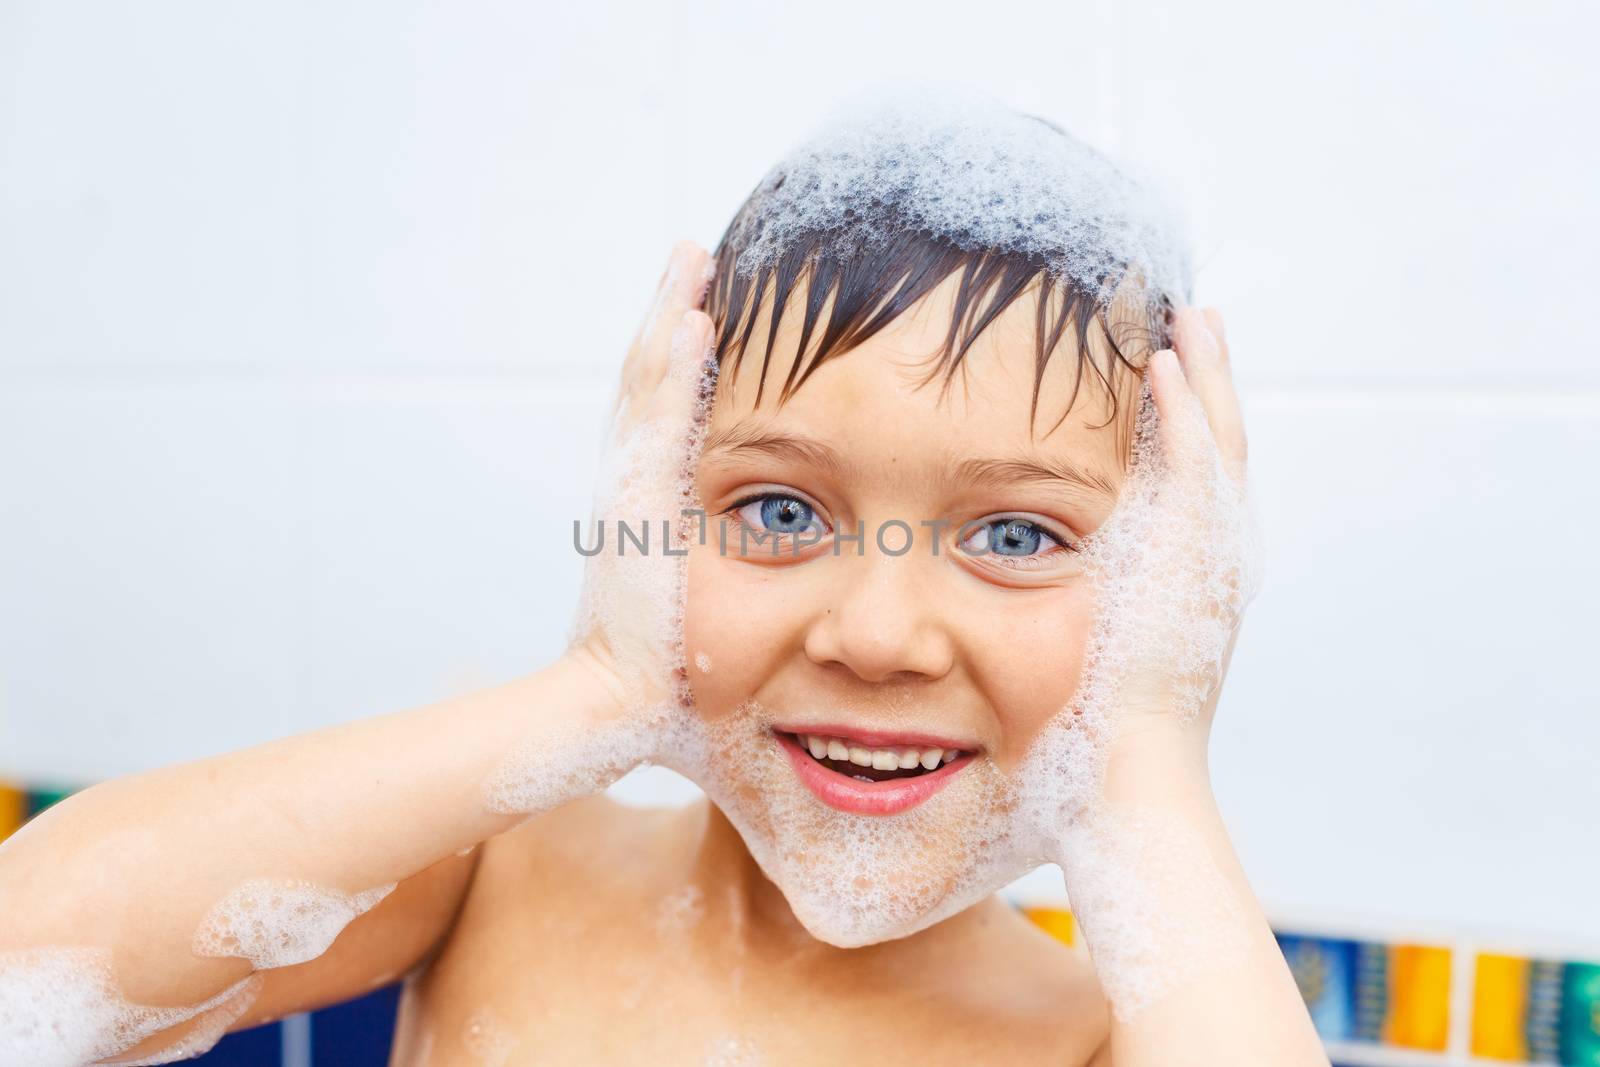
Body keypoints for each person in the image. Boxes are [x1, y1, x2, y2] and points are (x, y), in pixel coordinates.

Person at [0, 90, 1328, 1066]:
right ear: (659, 508)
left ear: (1162, 586)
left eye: (1018, 537)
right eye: (780, 507)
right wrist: (598, 691)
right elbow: (28, 966)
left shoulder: (1090, 1038)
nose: (877, 632)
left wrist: (1146, 756)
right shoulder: (504, 872)